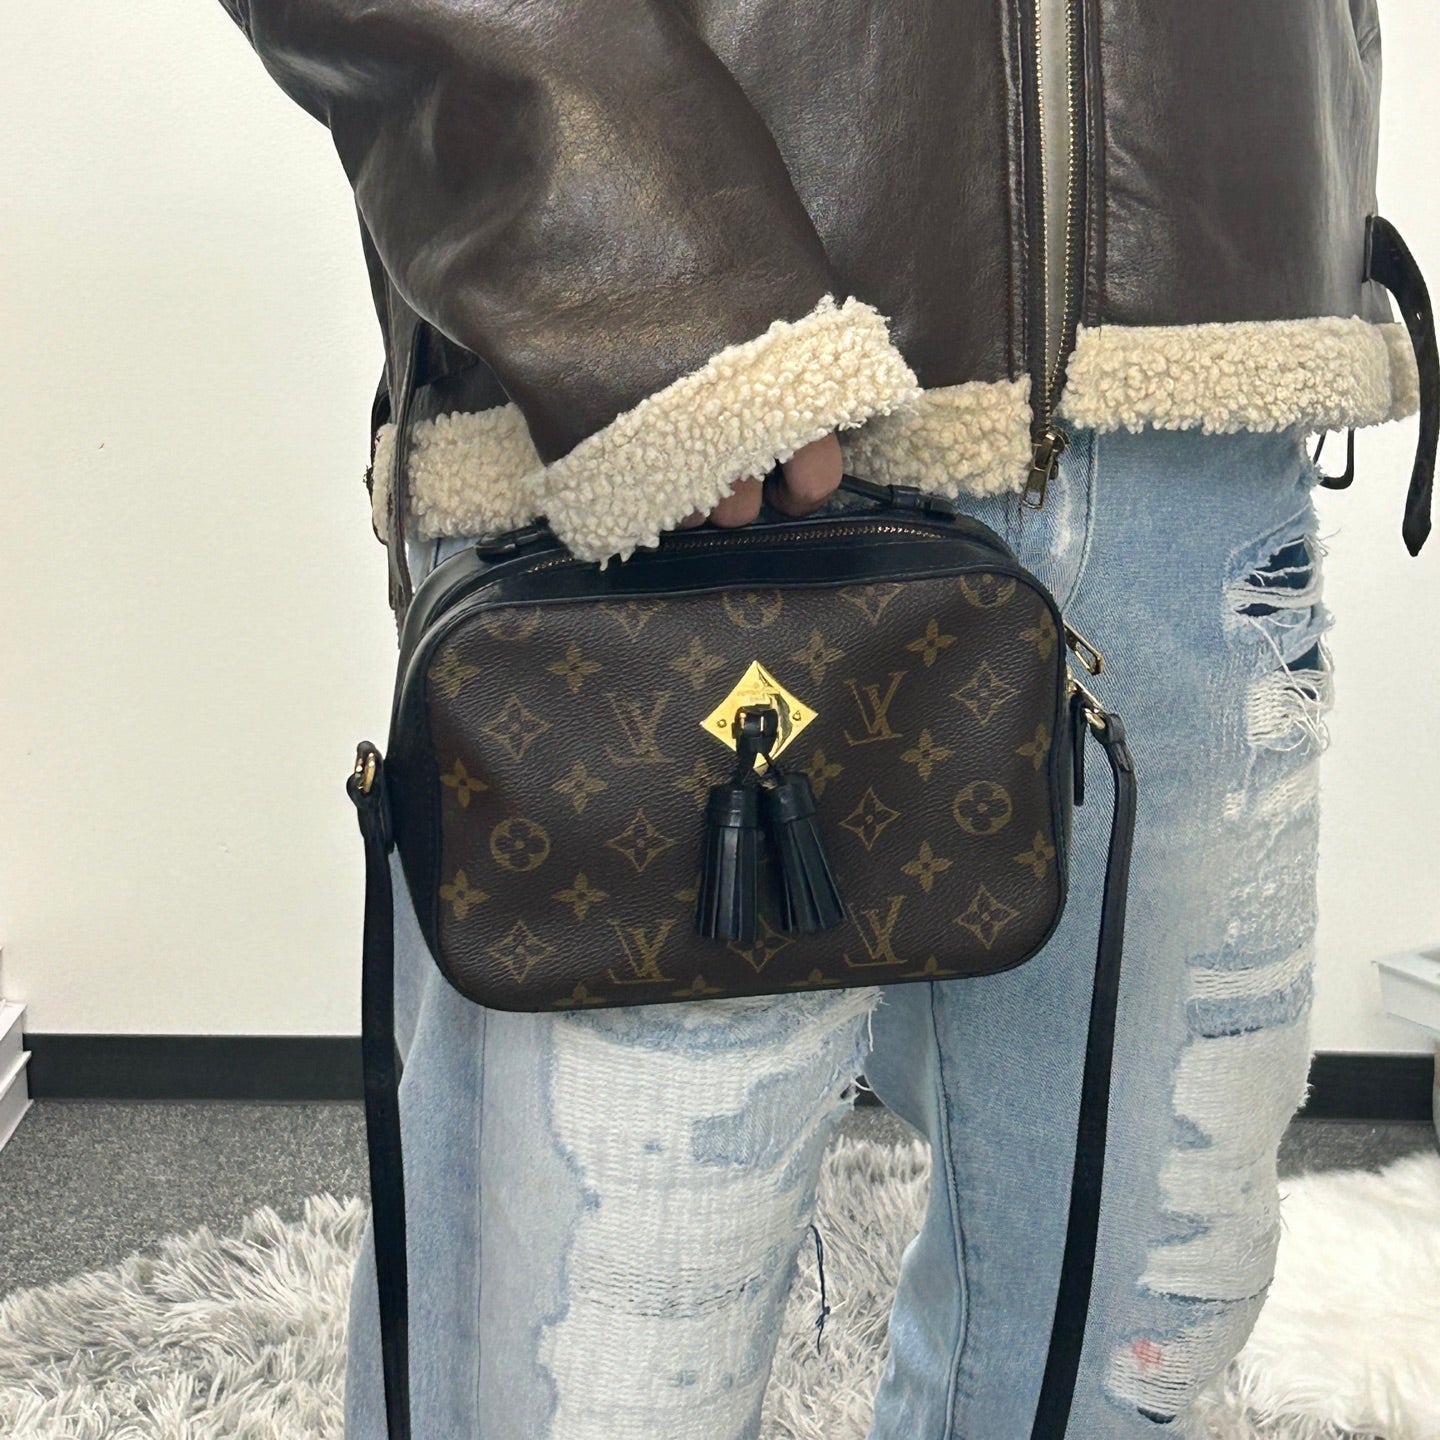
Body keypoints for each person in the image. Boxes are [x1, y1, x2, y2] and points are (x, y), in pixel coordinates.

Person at [215, 1, 1433, 1435]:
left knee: (1141, 1334)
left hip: (1207, 400)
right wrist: (636, 265)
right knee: (587, 1371)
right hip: (679, 451)